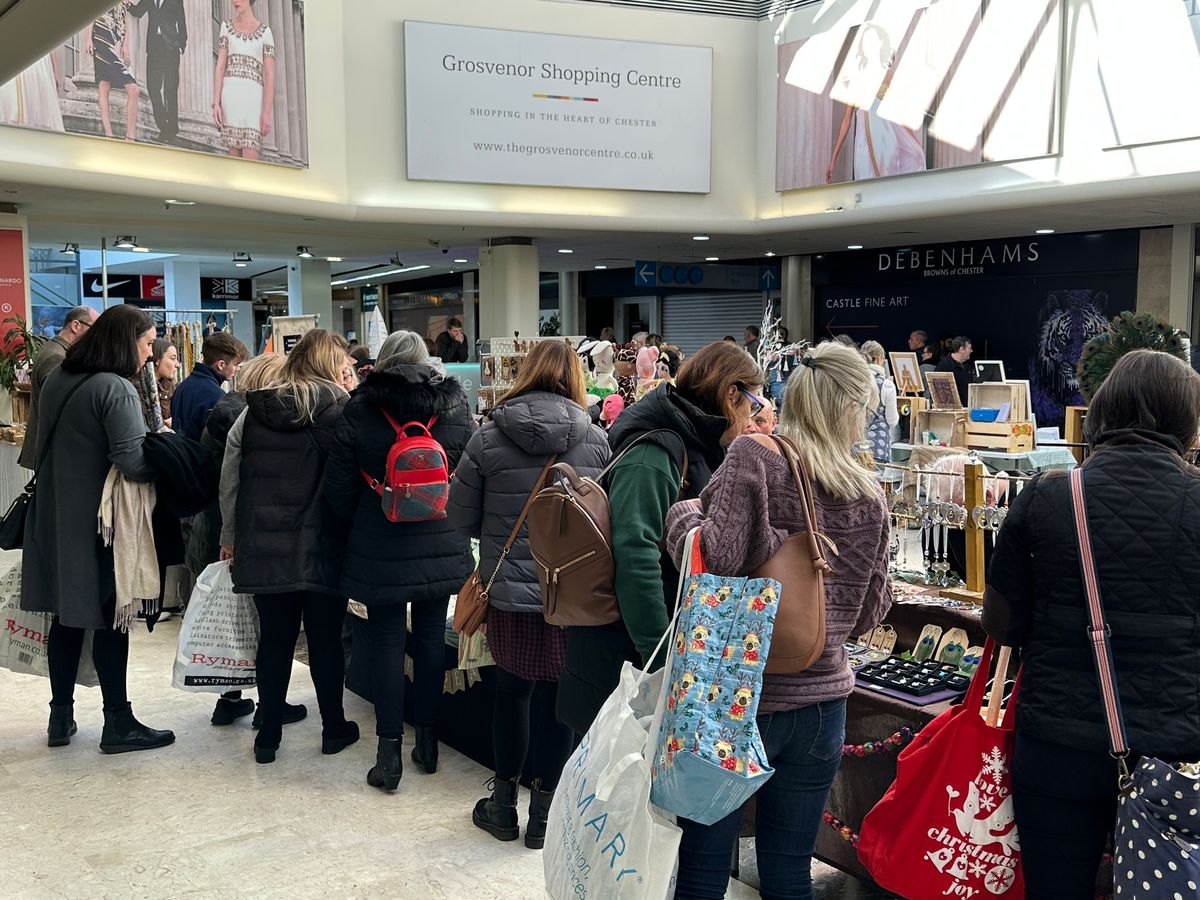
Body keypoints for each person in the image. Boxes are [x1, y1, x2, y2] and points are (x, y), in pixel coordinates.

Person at [663, 340, 893, 899]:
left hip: (736, 698)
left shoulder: (756, 457)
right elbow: (870, 613)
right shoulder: (870, 497)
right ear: (856, 409)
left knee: (704, 862)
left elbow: (715, 559)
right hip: (823, 704)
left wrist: (683, 514)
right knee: (789, 868)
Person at [983, 350, 1200, 899]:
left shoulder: (1048, 496)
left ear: (1102, 410)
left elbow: (1002, 622)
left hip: (1058, 744)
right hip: (1177, 751)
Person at [448, 340, 610, 848]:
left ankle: (501, 807)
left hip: (509, 595)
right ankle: (544, 815)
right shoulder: (597, 440)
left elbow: (460, 517)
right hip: (572, 596)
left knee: (511, 694)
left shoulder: (489, 436)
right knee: (557, 702)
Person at [558, 341, 764, 737]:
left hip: (637, 659)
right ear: (731, 394)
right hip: (623, 668)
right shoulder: (657, 450)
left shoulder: (694, 444)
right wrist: (662, 666)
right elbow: (635, 559)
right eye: (752, 404)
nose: (753, 418)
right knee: (613, 796)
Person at [323, 331, 474, 792]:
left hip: (380, 542)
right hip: (440, 537)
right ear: (428, 362)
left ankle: (388, 754)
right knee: (430, 638)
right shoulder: (455, 407)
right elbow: (466, 473)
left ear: (384, 362)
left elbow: (339, 487)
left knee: (386, 642)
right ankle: (427, 741)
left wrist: (362, 522)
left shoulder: (360, 407)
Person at [21, 305, 175, 753]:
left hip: (53, 517)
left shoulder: (59, 379)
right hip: (100, 524)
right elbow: (132, 459)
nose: (149, 354)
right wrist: (169, 459)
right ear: (126, 341)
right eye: (147, 344)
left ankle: (60, 716)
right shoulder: (115, 388)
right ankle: (118, 722)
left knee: (66, 619)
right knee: (112, 620)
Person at [219, 329, 357, 765]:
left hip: (264, 540)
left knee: (274, 640)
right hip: (325, 543)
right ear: (327, 365)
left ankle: (269, 734)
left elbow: (231, 478)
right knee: (325, 640)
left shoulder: (255, 410)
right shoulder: (342, 410)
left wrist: (229, 535)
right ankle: (333, 727)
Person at [185, 353, 306, 729]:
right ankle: (272, 705)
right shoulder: (256, 422)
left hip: (215, 530)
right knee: (267, 627)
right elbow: (236, 485)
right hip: (241, 535)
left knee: (236, 623)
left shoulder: (222, 416)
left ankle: (231, 697)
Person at [826, 23, 925, 183]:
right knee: (865, 183)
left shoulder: (888, 78)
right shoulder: (856, 78)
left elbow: (899, 115)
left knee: (885, 185)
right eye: (866, 42)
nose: (869, 45)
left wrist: (915, 143)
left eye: (873, 41)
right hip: (863, 144)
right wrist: (833, 159)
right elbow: (847, 120)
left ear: (880, 44)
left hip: (887, 143)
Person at [19, 306, 96, 470]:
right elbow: (56, 406)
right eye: (94, 329)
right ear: (76, 325)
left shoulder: (58, 351)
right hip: (50, 449)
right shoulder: (57, 356)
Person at [212, 0, 275, 159]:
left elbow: (270, 75)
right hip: (231, 98)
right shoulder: (226, 28)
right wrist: (216, 103)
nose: (235, 1)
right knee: (234, 159)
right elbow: (220, 67)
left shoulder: (265, 33)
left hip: (252, 102)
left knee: (250, 159)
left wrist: (266, 112)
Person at [171, 332, 248, 441]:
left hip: (180, 454)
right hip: (201, 456)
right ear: (221, 365)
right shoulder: (217, 397)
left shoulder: (182, 387)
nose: (238, 369)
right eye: (236, 364)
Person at [129, 0, 186, 144]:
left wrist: (181, 45)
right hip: (154, 48)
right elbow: (138, 12)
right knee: (153, 88)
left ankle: (170, 131)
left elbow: (182, 22)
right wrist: (127, 4)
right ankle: (164, 126)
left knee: (170, 90)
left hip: (171, 48)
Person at [86, 4, 140, 141]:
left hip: (117, 40)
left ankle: (130, 137)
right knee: (104, 85)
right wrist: (88, 39)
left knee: (134, 90)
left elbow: (124, 16)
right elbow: (91, 11)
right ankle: (108, 134)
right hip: (100, 36)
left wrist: (126, 44)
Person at [861, 340, 899, 477]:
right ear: (880, 358)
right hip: (878, 447)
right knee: (872, 491)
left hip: (853, 446)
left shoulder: (856, 381)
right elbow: (892, 420)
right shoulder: (886, 385)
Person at [935, 336, 974, 405]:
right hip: (951, 410)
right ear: (961, 349)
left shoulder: (967, 367)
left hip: (966, 409)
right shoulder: (944, 366)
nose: (971, 351)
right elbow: (939, 392)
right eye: (969, 348)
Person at [152, 339, 178, 428]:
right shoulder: (139, 388)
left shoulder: (170, 386)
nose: (177, 365)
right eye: (173, 358)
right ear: (157, 359)